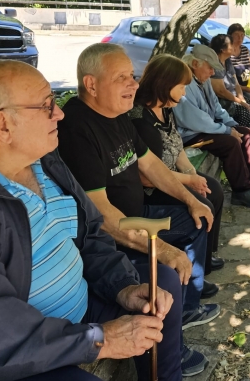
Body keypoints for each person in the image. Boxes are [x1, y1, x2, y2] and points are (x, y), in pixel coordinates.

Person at [0, 60, 187, 380]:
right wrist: (100, 340)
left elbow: (90, 234)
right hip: (31, 348)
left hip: (83, 306)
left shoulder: (47, 163)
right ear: (3, 125)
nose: (59, 113)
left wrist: (122, 286)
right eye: (46, 106)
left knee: (160, 287)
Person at [56, 43, 221, 351]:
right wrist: (163, 249)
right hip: (113, 236)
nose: (133, 84)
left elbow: (151, 165)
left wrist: (191, 199)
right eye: (122, 77)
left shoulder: (115, 113)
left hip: (139, 213)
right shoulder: (77, 129)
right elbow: (102, 215)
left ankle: (188, 304)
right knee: (166, 271)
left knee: (197, 216)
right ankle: (176, 331)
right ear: (91, 84)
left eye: (132, 75)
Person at [128, 54, 226, 276]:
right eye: (181, 87)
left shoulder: (165, 107)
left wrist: (192, 173)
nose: (184, 94)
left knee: (214, 189)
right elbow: (148, 178)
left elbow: (177, 146)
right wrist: (189, 180)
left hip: (173, 174)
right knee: (203, 206)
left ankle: (206, 256)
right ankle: (195, 271)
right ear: (164, 84)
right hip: (152, 190)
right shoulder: (141, 120)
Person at [174, 45, 250, 207]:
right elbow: (197, 120)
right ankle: (241, 191)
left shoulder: (203, 80)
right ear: (195, 64)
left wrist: (233, 126)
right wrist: (227, 130)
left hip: (206, 128)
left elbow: (216, 108)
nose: (212, 73)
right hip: (191, 134)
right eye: (209, 68)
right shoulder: (185, 83)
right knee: (230, 143)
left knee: (245, 133)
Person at [209, 33, 250, 145]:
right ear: (222, 49)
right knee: (244, 111)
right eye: (231, 44)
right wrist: (240, 102)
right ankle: (240, 140)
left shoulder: (228, 61)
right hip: (223, 101)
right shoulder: (215, 64)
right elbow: (220, 91)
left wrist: (242, 99)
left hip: (234, 98)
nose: (234, 46)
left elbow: (236, 83)